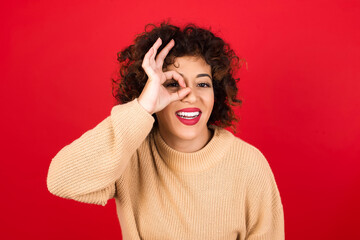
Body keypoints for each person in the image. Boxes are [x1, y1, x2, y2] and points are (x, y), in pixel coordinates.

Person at [47, 22, 284, 239]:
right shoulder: (129, 153)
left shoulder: (249, 164)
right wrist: (143, 107)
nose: (190, 95)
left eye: (203, 84)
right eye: (173, 84)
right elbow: (60, 180)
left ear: (216, 94)